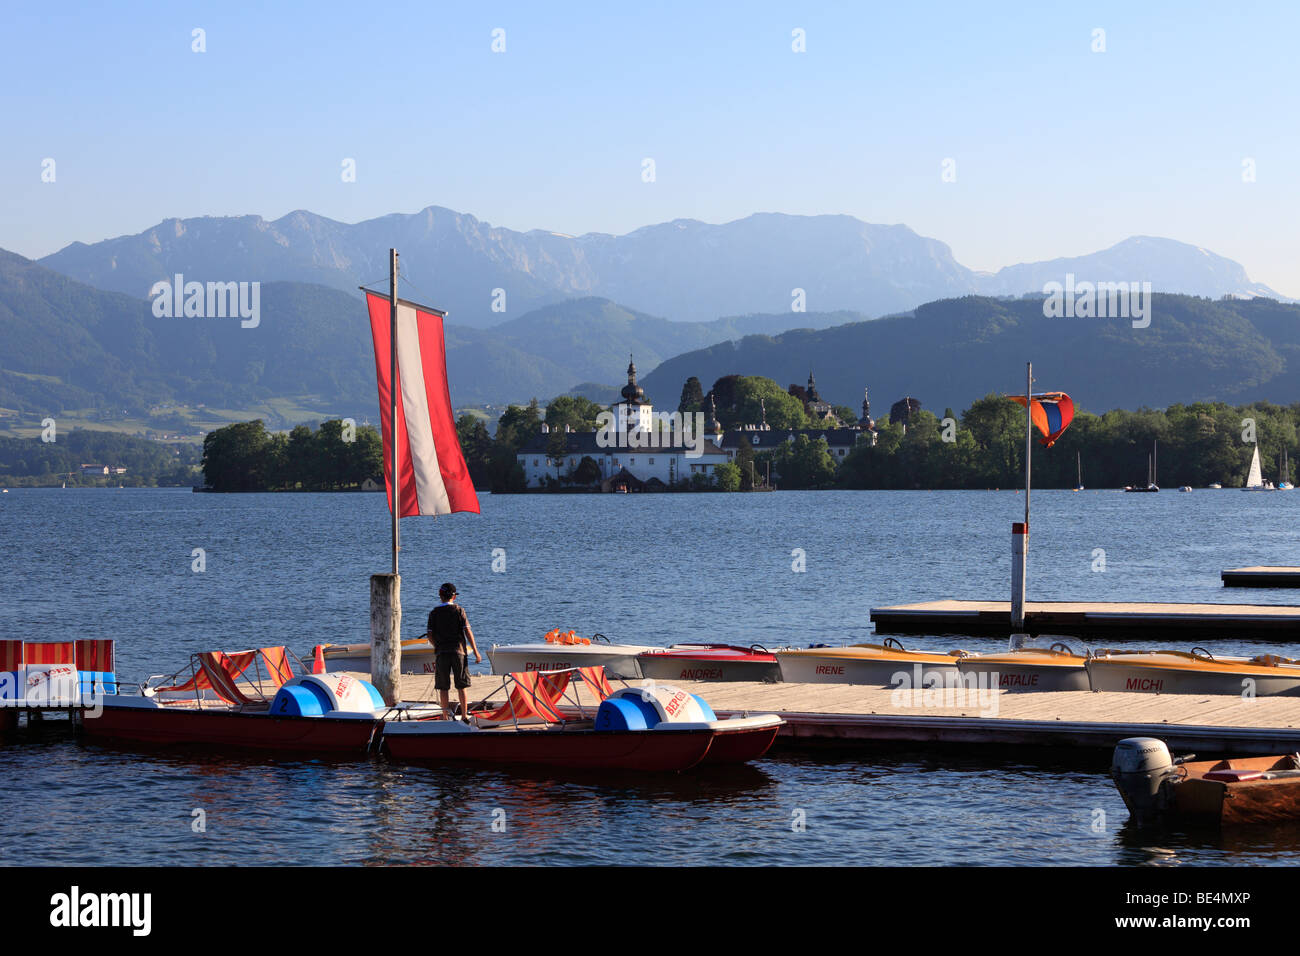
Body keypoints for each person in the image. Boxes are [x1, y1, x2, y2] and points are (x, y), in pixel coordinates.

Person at [427, 583, 482, 722]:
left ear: (440, 596)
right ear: (453, 596)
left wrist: (437, 646)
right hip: (459, 651)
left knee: (443, 686)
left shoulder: (434, 613)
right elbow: (467, 631)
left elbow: (429, 635)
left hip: (442, 653)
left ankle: (445, 717)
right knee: (462, 685)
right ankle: (464, 715)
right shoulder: (459, 610)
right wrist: (475, 651)